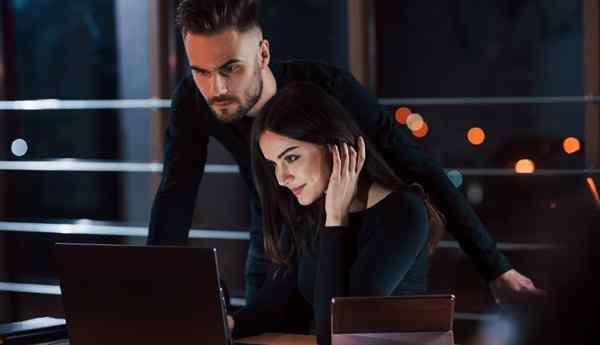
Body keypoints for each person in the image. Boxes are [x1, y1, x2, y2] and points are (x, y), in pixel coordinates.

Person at [147, 0, 543, 305]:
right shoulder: (193, 100)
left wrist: (495, 268)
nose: (215, 88)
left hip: (345, 246)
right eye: (200, 71)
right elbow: (175, 194)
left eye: (230, 68)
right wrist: (151, 285)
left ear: (263, 54)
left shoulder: (329, 88)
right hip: (271, 245)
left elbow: (419, 168)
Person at [229, 81, 445, 345]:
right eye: (274, 164)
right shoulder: (311, 208)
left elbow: (340, 333)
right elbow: (278, 301)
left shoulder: (402, 213)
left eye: (291, 158)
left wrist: (335, 221)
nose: (281, 178)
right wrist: (227, 324)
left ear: (334, 147)